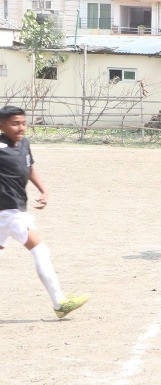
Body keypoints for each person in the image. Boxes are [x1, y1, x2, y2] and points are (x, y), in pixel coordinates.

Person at [0, 105, 89, 318]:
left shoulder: (24, 144)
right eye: (15, 124)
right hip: (9, 211)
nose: (21, 127)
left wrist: (44, 191)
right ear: (1, 125)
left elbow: (29, 168)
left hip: (13, 209)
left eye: (23, 123)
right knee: (40, 250)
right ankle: (60, 303)